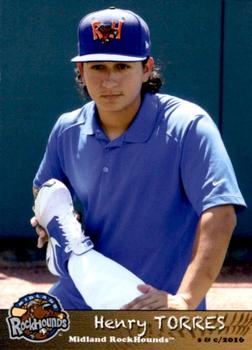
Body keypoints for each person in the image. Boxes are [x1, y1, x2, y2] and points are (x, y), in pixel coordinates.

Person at [31, 7, 246, 310]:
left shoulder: (187, 126)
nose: (109, 81)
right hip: (78, 295)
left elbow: (221, 214)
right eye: (98, 67)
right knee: (22, 332)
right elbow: (45, 189)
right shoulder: (67, 129)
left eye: (122, 67)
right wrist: (52, 223)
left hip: (152, 301)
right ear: (81, 71)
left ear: (147, 69)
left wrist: (185, 299)